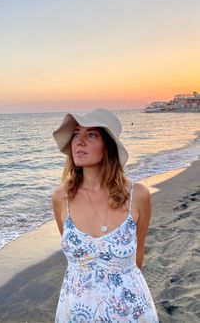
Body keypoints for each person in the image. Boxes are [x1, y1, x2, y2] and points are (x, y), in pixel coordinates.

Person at [52, 108, 159, 322]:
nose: (79, 141)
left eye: (91, 134)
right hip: (75, 312)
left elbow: (138, 256)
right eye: (75, 134)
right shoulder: (61, 198)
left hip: (130, 312)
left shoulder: (138, 196)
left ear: (108, 146)